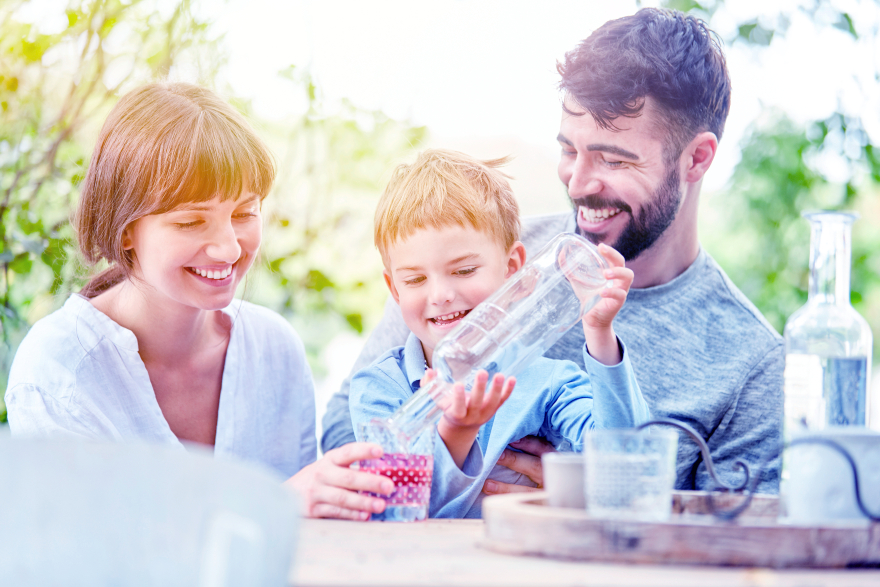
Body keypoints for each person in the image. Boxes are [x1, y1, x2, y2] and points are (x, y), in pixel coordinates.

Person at [323, 8, 784, 494]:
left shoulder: (752, 362)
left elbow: (740, 550)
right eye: (569, 150)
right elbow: (343, 431)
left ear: (697, 158)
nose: (578, 183)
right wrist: (473, 483)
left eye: (612, 158)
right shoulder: (472, 260)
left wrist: (582, 497)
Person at [4, 82, 395, 520]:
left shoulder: (275, 350)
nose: (228, 248)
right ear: (125, 228)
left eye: (244, 214)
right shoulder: (60, 371)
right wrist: (273, 505)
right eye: (191, 221)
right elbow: (90, 553)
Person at [349, 149, 649, 518]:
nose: (440, 294)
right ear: (394, 289)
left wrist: (600, 333)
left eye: (463, 271)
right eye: (415, 279)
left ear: (513, 269)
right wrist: (457, 432)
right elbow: (392, 513)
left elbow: (625, 462)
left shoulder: (548, 382)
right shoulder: (379, 390)